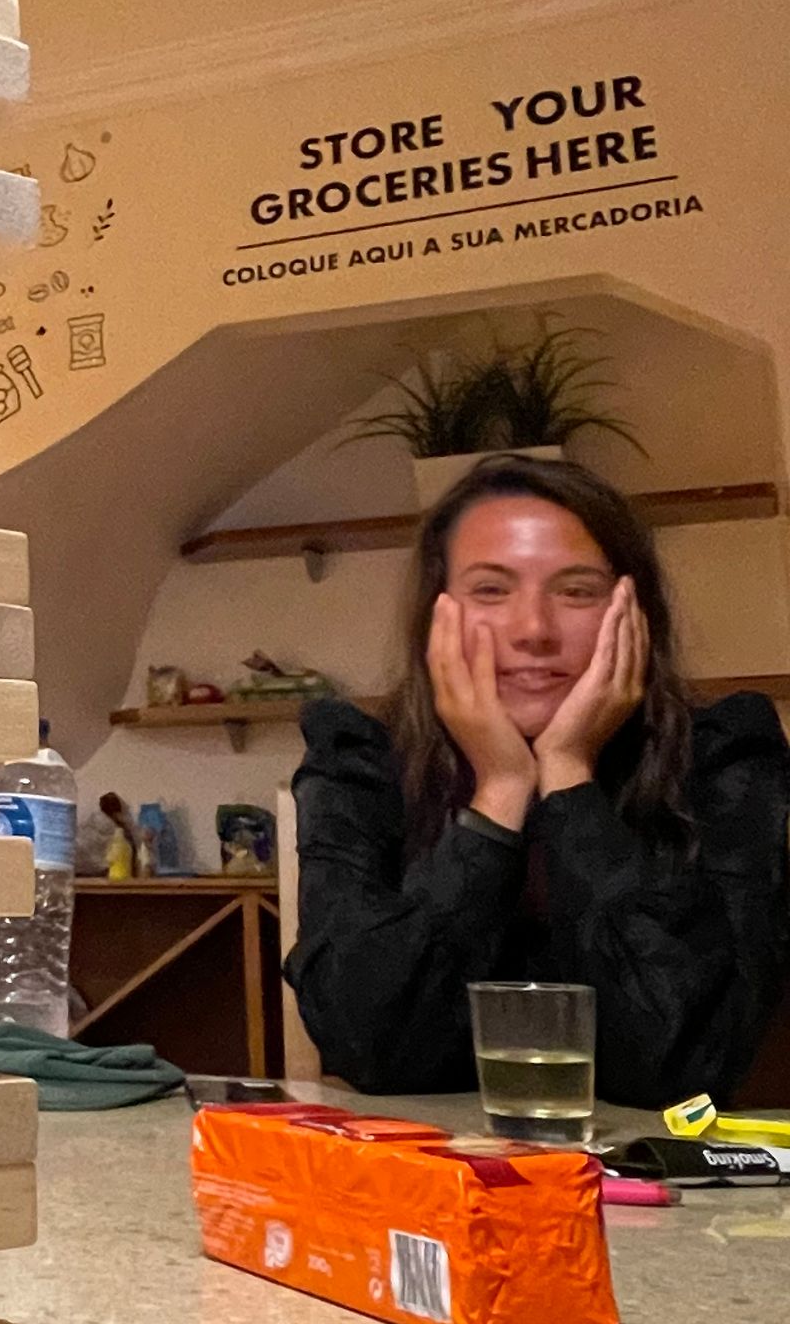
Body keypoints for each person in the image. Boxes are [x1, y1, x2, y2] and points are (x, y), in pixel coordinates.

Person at [285, 453, 790, 1106]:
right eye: (492, 590)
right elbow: (373, 1051)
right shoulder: (360, 764)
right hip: (423, 1186)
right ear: (437, 614)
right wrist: (498, 792)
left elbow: (682, 1074)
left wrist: (569, 777)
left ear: (634, 613)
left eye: (577, 590)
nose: (534, 631)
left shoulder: (725, 758)